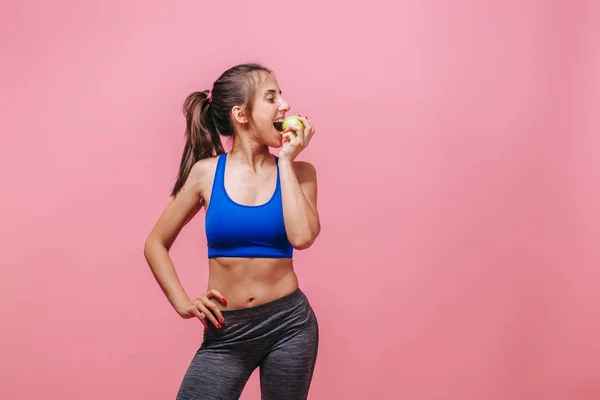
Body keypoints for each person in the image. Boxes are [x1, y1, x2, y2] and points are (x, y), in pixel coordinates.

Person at [144, 63, 320, 400]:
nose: (284, 105)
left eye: (281, 96)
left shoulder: (300, 172)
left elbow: (302, 238)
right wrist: (183, 303)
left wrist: (285, 161)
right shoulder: (205, 174)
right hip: (227, 333)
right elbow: (155, 243)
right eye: (271, 98)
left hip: (290, 326)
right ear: (241, 115)